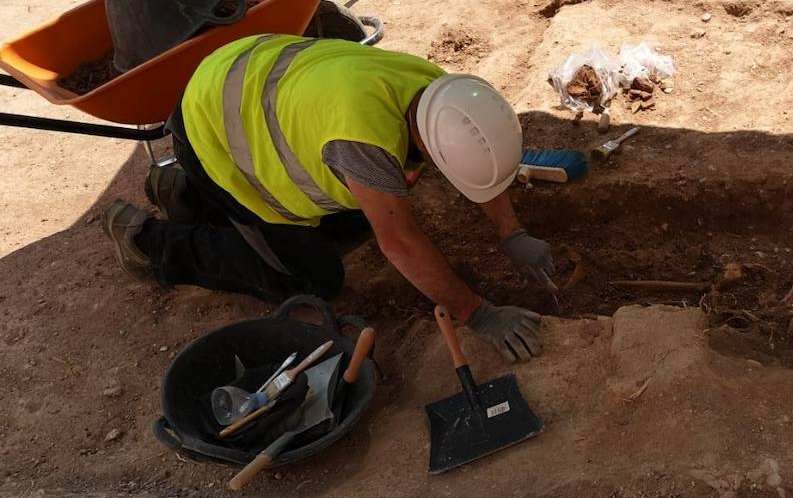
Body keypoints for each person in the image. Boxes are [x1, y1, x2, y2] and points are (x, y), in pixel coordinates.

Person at [102, 34, 550, 363]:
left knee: (355, 216)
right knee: (311, 277)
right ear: (429, 142)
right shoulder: (363, 142)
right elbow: (398, 241)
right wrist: (477, 313)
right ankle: (151, 243)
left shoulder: (442, 93)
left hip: (238, 81)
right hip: (211, 128)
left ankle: (184, 190)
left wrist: (512, 231)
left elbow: (481, 152)